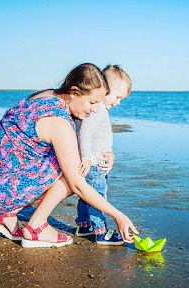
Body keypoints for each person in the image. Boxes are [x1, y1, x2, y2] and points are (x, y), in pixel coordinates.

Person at [0, 63, 138, 248]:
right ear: (74, 92)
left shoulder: (46, 95)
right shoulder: (59, 123)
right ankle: (36, 226)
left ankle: (7, 214)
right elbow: (77, 185)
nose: (95, 110)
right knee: (75, 170)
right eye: (92, 102)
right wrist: (119, 215)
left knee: (65, 159)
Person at [74, 65, 131, 245]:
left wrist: (109, 154)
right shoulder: (96, 109)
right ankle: (101, 231)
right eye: (117, 97)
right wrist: (87, 158)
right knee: (97, 195)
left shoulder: (100, 109)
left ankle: (84, 226)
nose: (118, 102)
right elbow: (84, 133)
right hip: (94, 163)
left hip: (98, 160)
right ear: (105, 89)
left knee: (86, 195)